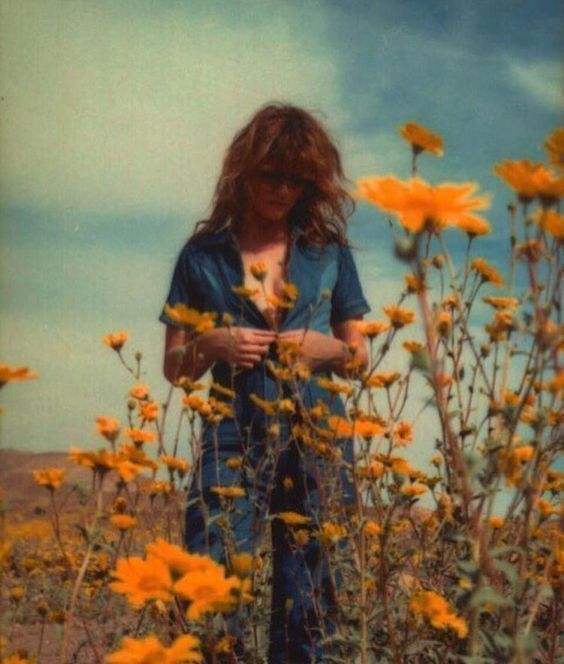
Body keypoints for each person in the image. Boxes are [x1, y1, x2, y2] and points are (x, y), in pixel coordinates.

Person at [160, 103, 370, 663]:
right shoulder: (201, 257)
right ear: (243, 171)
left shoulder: (329, 254)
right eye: (270, 175)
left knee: (311, 594)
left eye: (297, 180)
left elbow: (359, 355)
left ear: (313, 184)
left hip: (318, 433)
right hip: (231, 435)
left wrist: (325, 349)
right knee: (213, 578)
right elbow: (174, 365)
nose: (282, 190)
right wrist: (212, 344)